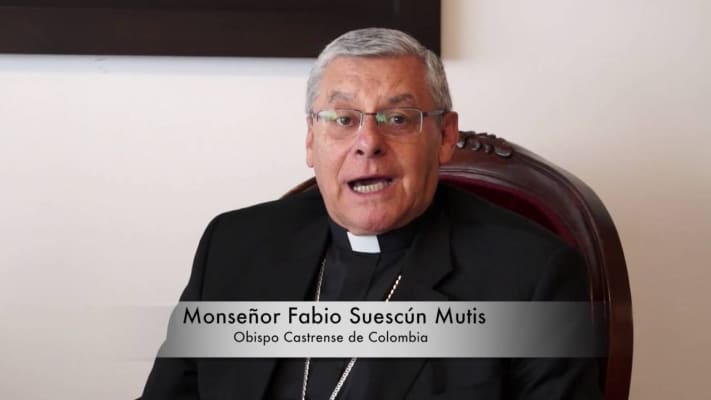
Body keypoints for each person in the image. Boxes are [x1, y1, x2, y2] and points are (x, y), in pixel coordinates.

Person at [141, 28, 601, 399]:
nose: (368, 143)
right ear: (310, 140)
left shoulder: (531, 279)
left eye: (398, 119)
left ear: (445, 136)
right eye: (343, 120)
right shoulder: (235, 246)